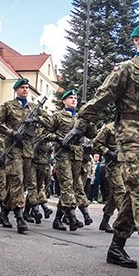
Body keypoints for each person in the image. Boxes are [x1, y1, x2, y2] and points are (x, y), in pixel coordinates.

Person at [63, 21, 139, 276]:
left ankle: (116, 247)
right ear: (136, 42)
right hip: (130, 134)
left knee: (132, 195)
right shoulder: (126, 69)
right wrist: (81, 124)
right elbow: (103, 97)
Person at [0, 78, 50, 234]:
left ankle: (4, 213)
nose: (25, 90)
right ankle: (19, 218)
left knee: (20, 184)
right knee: (16, 179)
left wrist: (37, 119)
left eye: (27, 87)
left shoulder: (34, 108)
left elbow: (50, 121)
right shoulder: (8, 106)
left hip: (28, 151)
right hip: (13, 150)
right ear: (16, 89)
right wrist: (11, 132)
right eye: (22, 87)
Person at [43, 88, 95, 232]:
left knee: (71, 188)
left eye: (75, 98)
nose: (73, 100)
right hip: (63, 154)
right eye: (70, 97)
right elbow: (44, 132)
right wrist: (58, 139)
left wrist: (88, 119)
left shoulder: (80, 117)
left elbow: (92, 134)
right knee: (67, 185)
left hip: (77, 156)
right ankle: (72, 217)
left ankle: (58, 220)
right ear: (64, 101)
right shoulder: (57, 116)